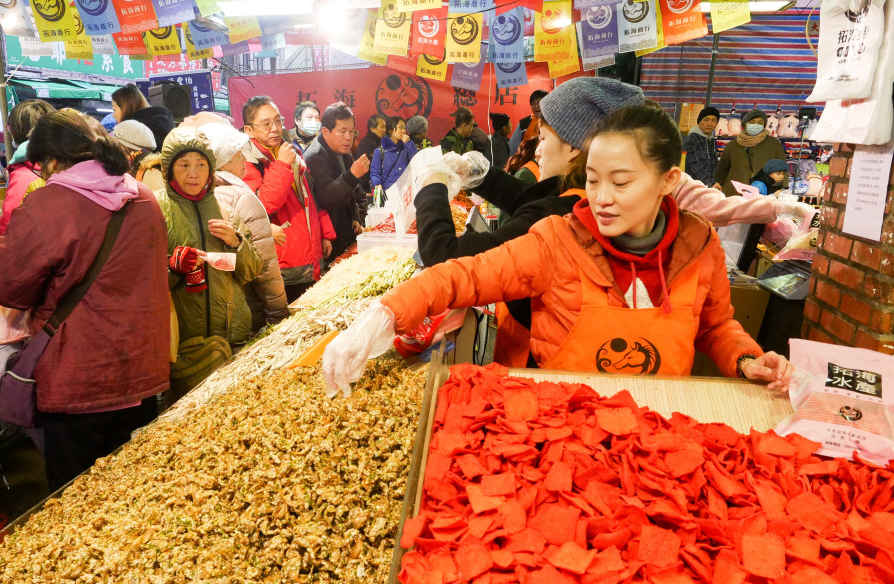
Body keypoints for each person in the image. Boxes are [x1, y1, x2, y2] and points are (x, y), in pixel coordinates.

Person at [324, 105, 795, 396]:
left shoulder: (700, 244)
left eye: (621, 182)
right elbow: (461, 275)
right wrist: (385, 315)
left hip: (657, 431)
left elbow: (715, 324)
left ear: (669, 180)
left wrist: (746, 358)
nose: (602, 197)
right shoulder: (556, 239)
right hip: (561, 435)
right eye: (592, 180)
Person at [413, 78, 815, 368]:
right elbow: (524, 206)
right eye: (595, 182)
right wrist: (480, 175)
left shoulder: (687, 240)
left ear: (576, 146)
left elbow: (447, 257)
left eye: (545, 133)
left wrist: (431, 184)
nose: (538, 143)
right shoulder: (561, 211)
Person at [0, 111, 171, 491]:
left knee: (78, 502)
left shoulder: (50, 205)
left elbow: (5, 284)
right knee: (138, 492)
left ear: (51, 159)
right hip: (141, 374)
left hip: (77, 381)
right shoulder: (144, 198)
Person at [158, 126, 263, 399]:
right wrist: (172, 268)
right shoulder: (156, 211)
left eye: (201, 164)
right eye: (184, 164)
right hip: (182, 346)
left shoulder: (225, 209)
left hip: (232, 337)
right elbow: (139, 281)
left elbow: (252, 271)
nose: (193, 173)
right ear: (169, 169)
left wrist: (237, 243)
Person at [242, 96, 335, 303]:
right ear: (249, 130)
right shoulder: (247, 163)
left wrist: (325, 232)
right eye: (266, 124)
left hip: (311, 253)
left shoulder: (288, 151)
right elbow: (263, 205)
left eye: (278, 120)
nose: (275, 128)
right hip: (283, 265)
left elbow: (310, 195)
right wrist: (282, 166)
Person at [203, 123, 289, 332]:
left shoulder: (205, 194)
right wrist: (279, 315)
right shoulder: (241, 197)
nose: (244, 159)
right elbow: (266, 268)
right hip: (251, 310)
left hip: (220, 313)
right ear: (222, 162)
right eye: (237, 154)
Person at [304, 103, 371, 263]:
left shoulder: (345, 153)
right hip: (329, 243)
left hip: (347, 236)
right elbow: (326, 198)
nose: (349, 137)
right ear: (326, 132)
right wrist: (352, 175)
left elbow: (358, 194)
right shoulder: (315, 157)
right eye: (342, 131)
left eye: (352, 131)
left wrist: (356, 217)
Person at [0, 99, 55, 237]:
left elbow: (10, 224)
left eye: (10, 128)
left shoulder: (24, 175)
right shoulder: (61, 162)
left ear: (18, 132)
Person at [714, 109, 787, 197]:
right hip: (734, 194)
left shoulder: (774, 144)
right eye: (752, 122)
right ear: (745, 124)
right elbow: (722, 168)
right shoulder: (733, 144)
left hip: (763, 194)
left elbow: (783, 168)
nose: (756, 125)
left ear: (764, 125)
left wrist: (783, 188)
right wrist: (718, 182)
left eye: (760, 123)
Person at [112, 84, 176, 152]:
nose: (113, 115)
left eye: (114, 109)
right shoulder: (163, 122)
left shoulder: (134, 133)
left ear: (126, 108)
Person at [369, 115, 418, 193]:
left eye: (404, 128)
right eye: (400, 127)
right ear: (390, 130)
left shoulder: (407, 148)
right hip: (388, 193)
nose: (404, 131)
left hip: (406, 193)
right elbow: (375, 173)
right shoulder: (379, 151)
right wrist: (378, 184)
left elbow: (417, 162)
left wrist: (409, 144)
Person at [683, 106, 719, 187]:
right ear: (699, 122)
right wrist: (711, 183)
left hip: (708, 186)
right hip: (694, 186)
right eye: (706, 120)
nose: (710, 124)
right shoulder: (692, 139)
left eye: (714, 120)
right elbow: (694, 165)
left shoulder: (711, 139)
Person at [509, 89, 548, 155]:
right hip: (528, 162)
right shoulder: (524, 123)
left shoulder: (554, 122)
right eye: (533, 104)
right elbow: (512, 147)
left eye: (539, 103)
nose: (536, 106)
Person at [355, 114, 388, 192]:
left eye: (385, 127)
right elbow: (369, 170)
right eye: (382, 127)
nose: (385, 130)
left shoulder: (376, 141)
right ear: (372, 128)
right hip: (368, 187)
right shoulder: (369, 144)